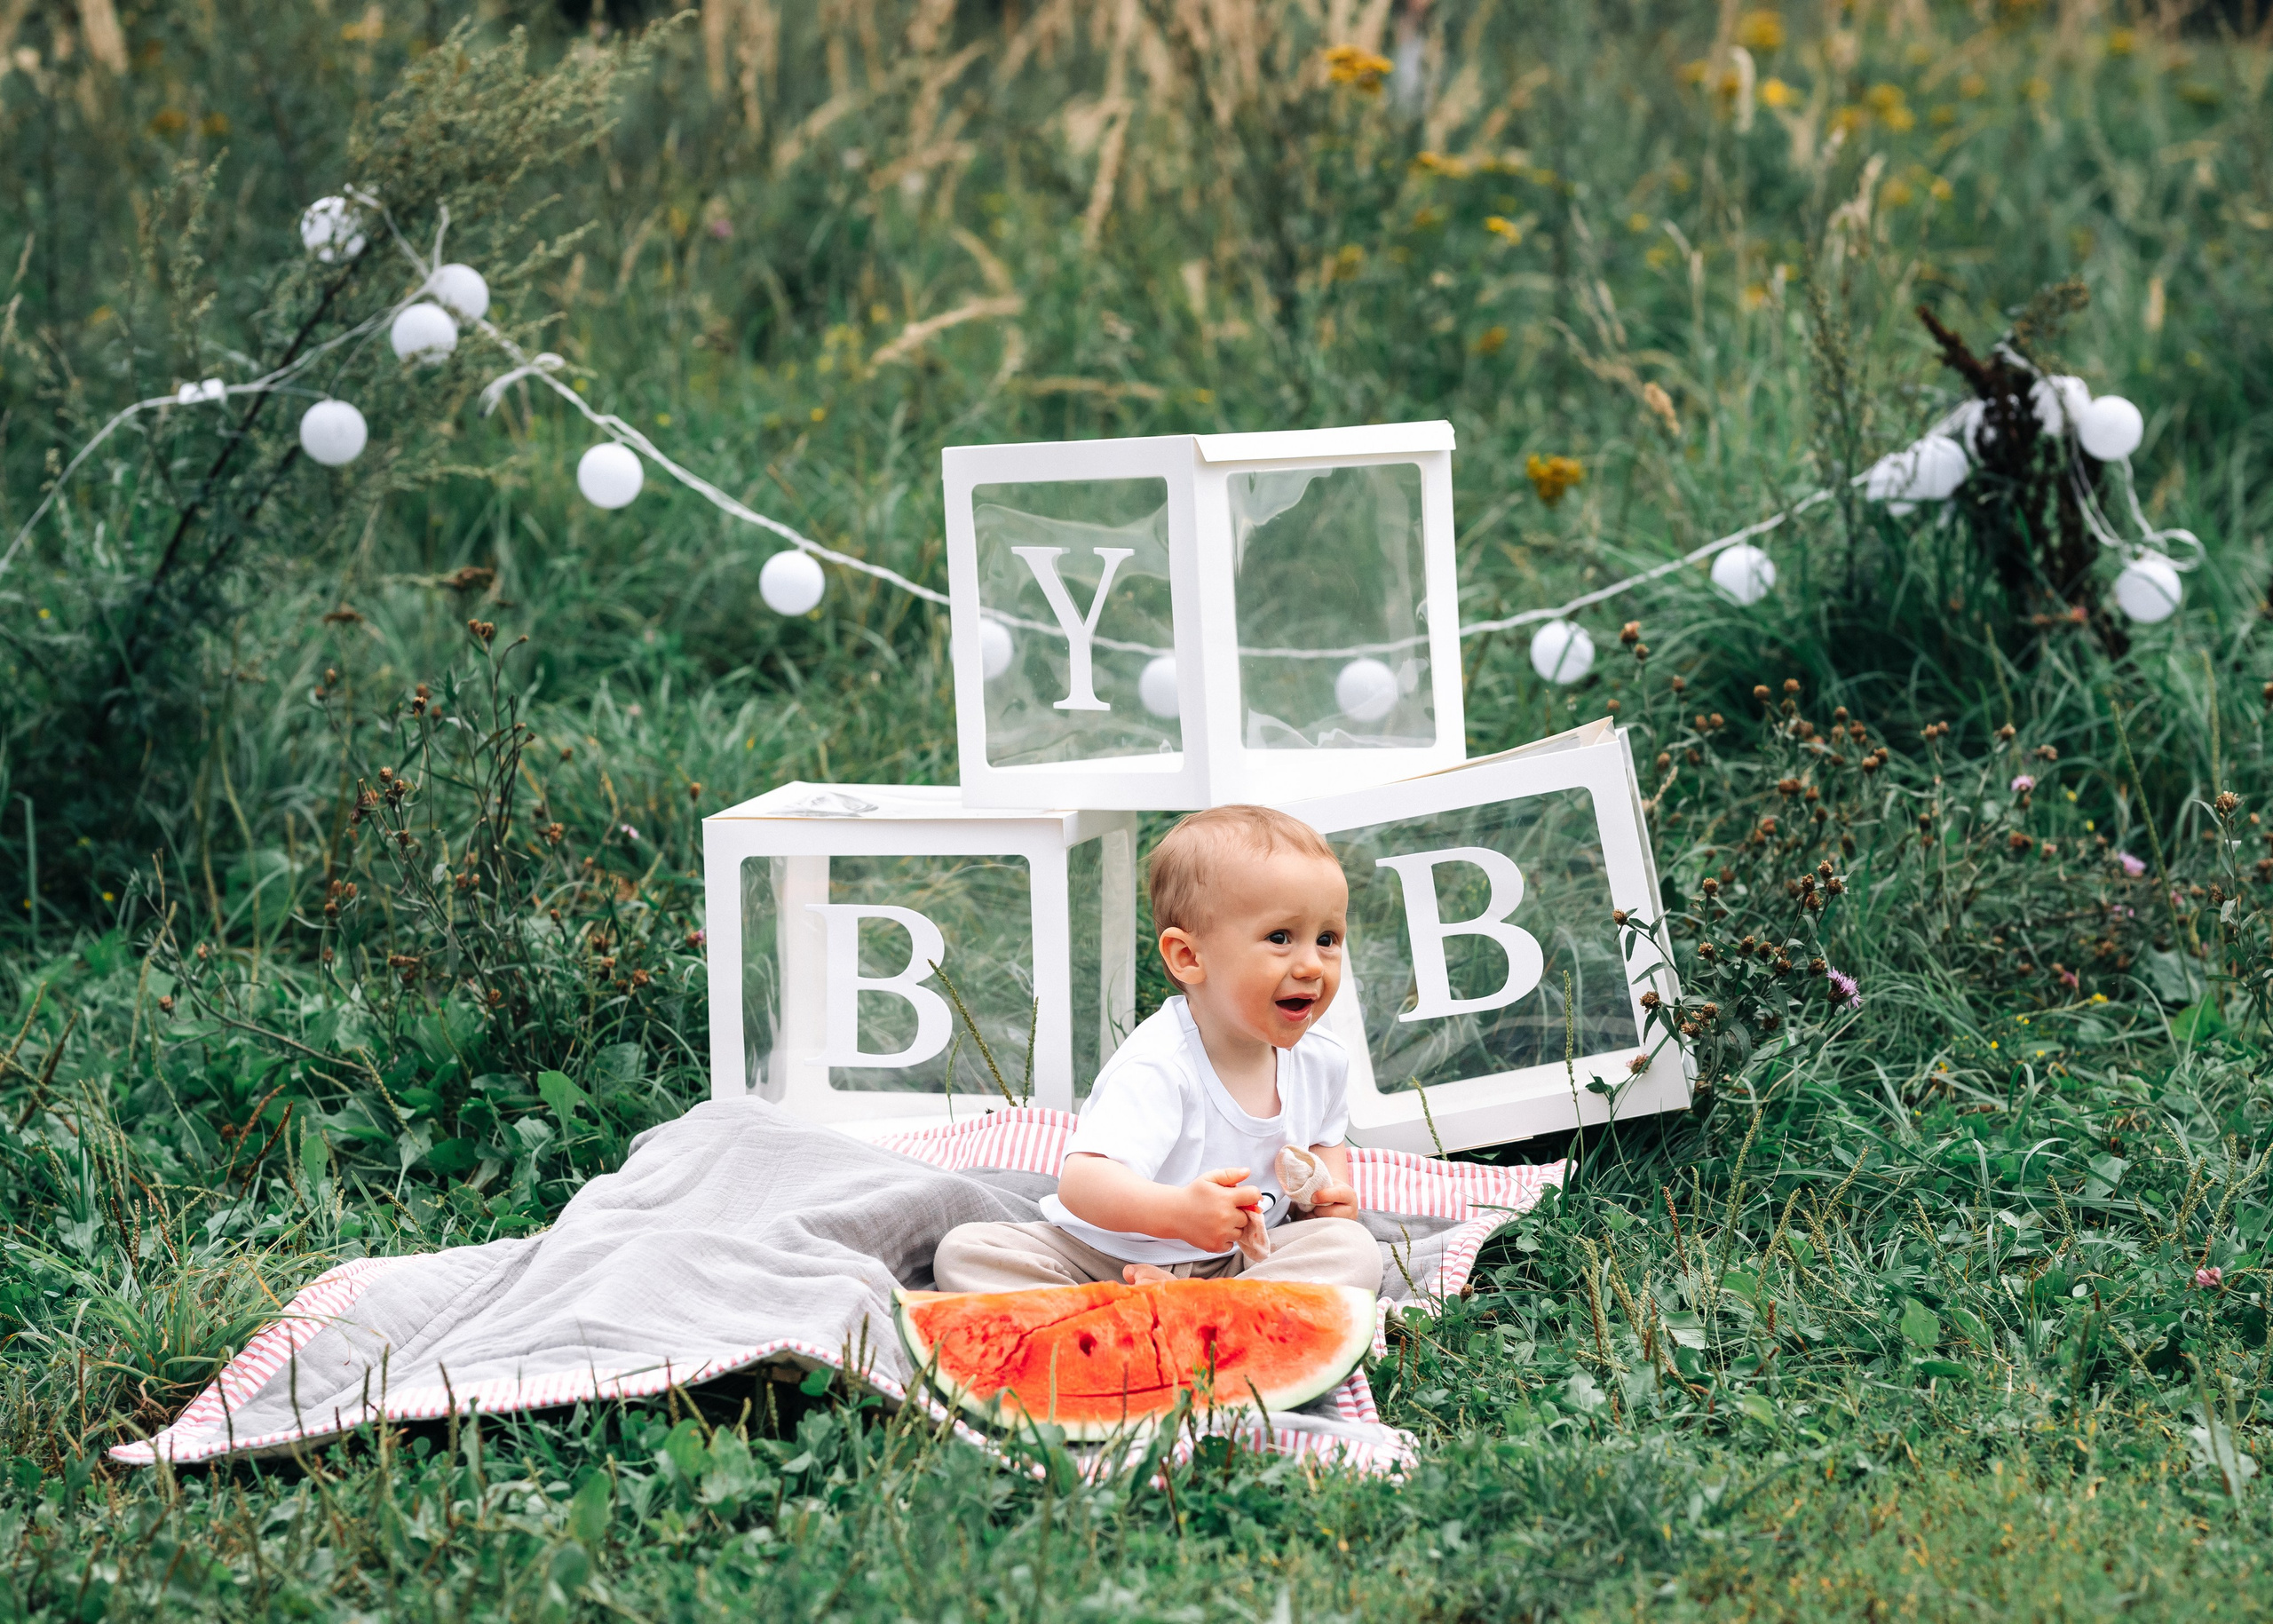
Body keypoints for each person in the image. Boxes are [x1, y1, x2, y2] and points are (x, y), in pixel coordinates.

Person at [932, 804, 1382, 1295]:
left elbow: (1322, 1140)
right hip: (1107, 1256)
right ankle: (1139, 1305)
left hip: (1238, 1263)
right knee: (967, 1253)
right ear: (1188, 957)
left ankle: (1192, 1305)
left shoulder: (1323, 1058)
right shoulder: (1161, 1064)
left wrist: (1328, 1197)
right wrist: (1176, 1215)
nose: (1313, 965)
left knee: (1351, 1248)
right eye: (1280, 937)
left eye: (1327, 938)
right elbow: (1083, 1182)